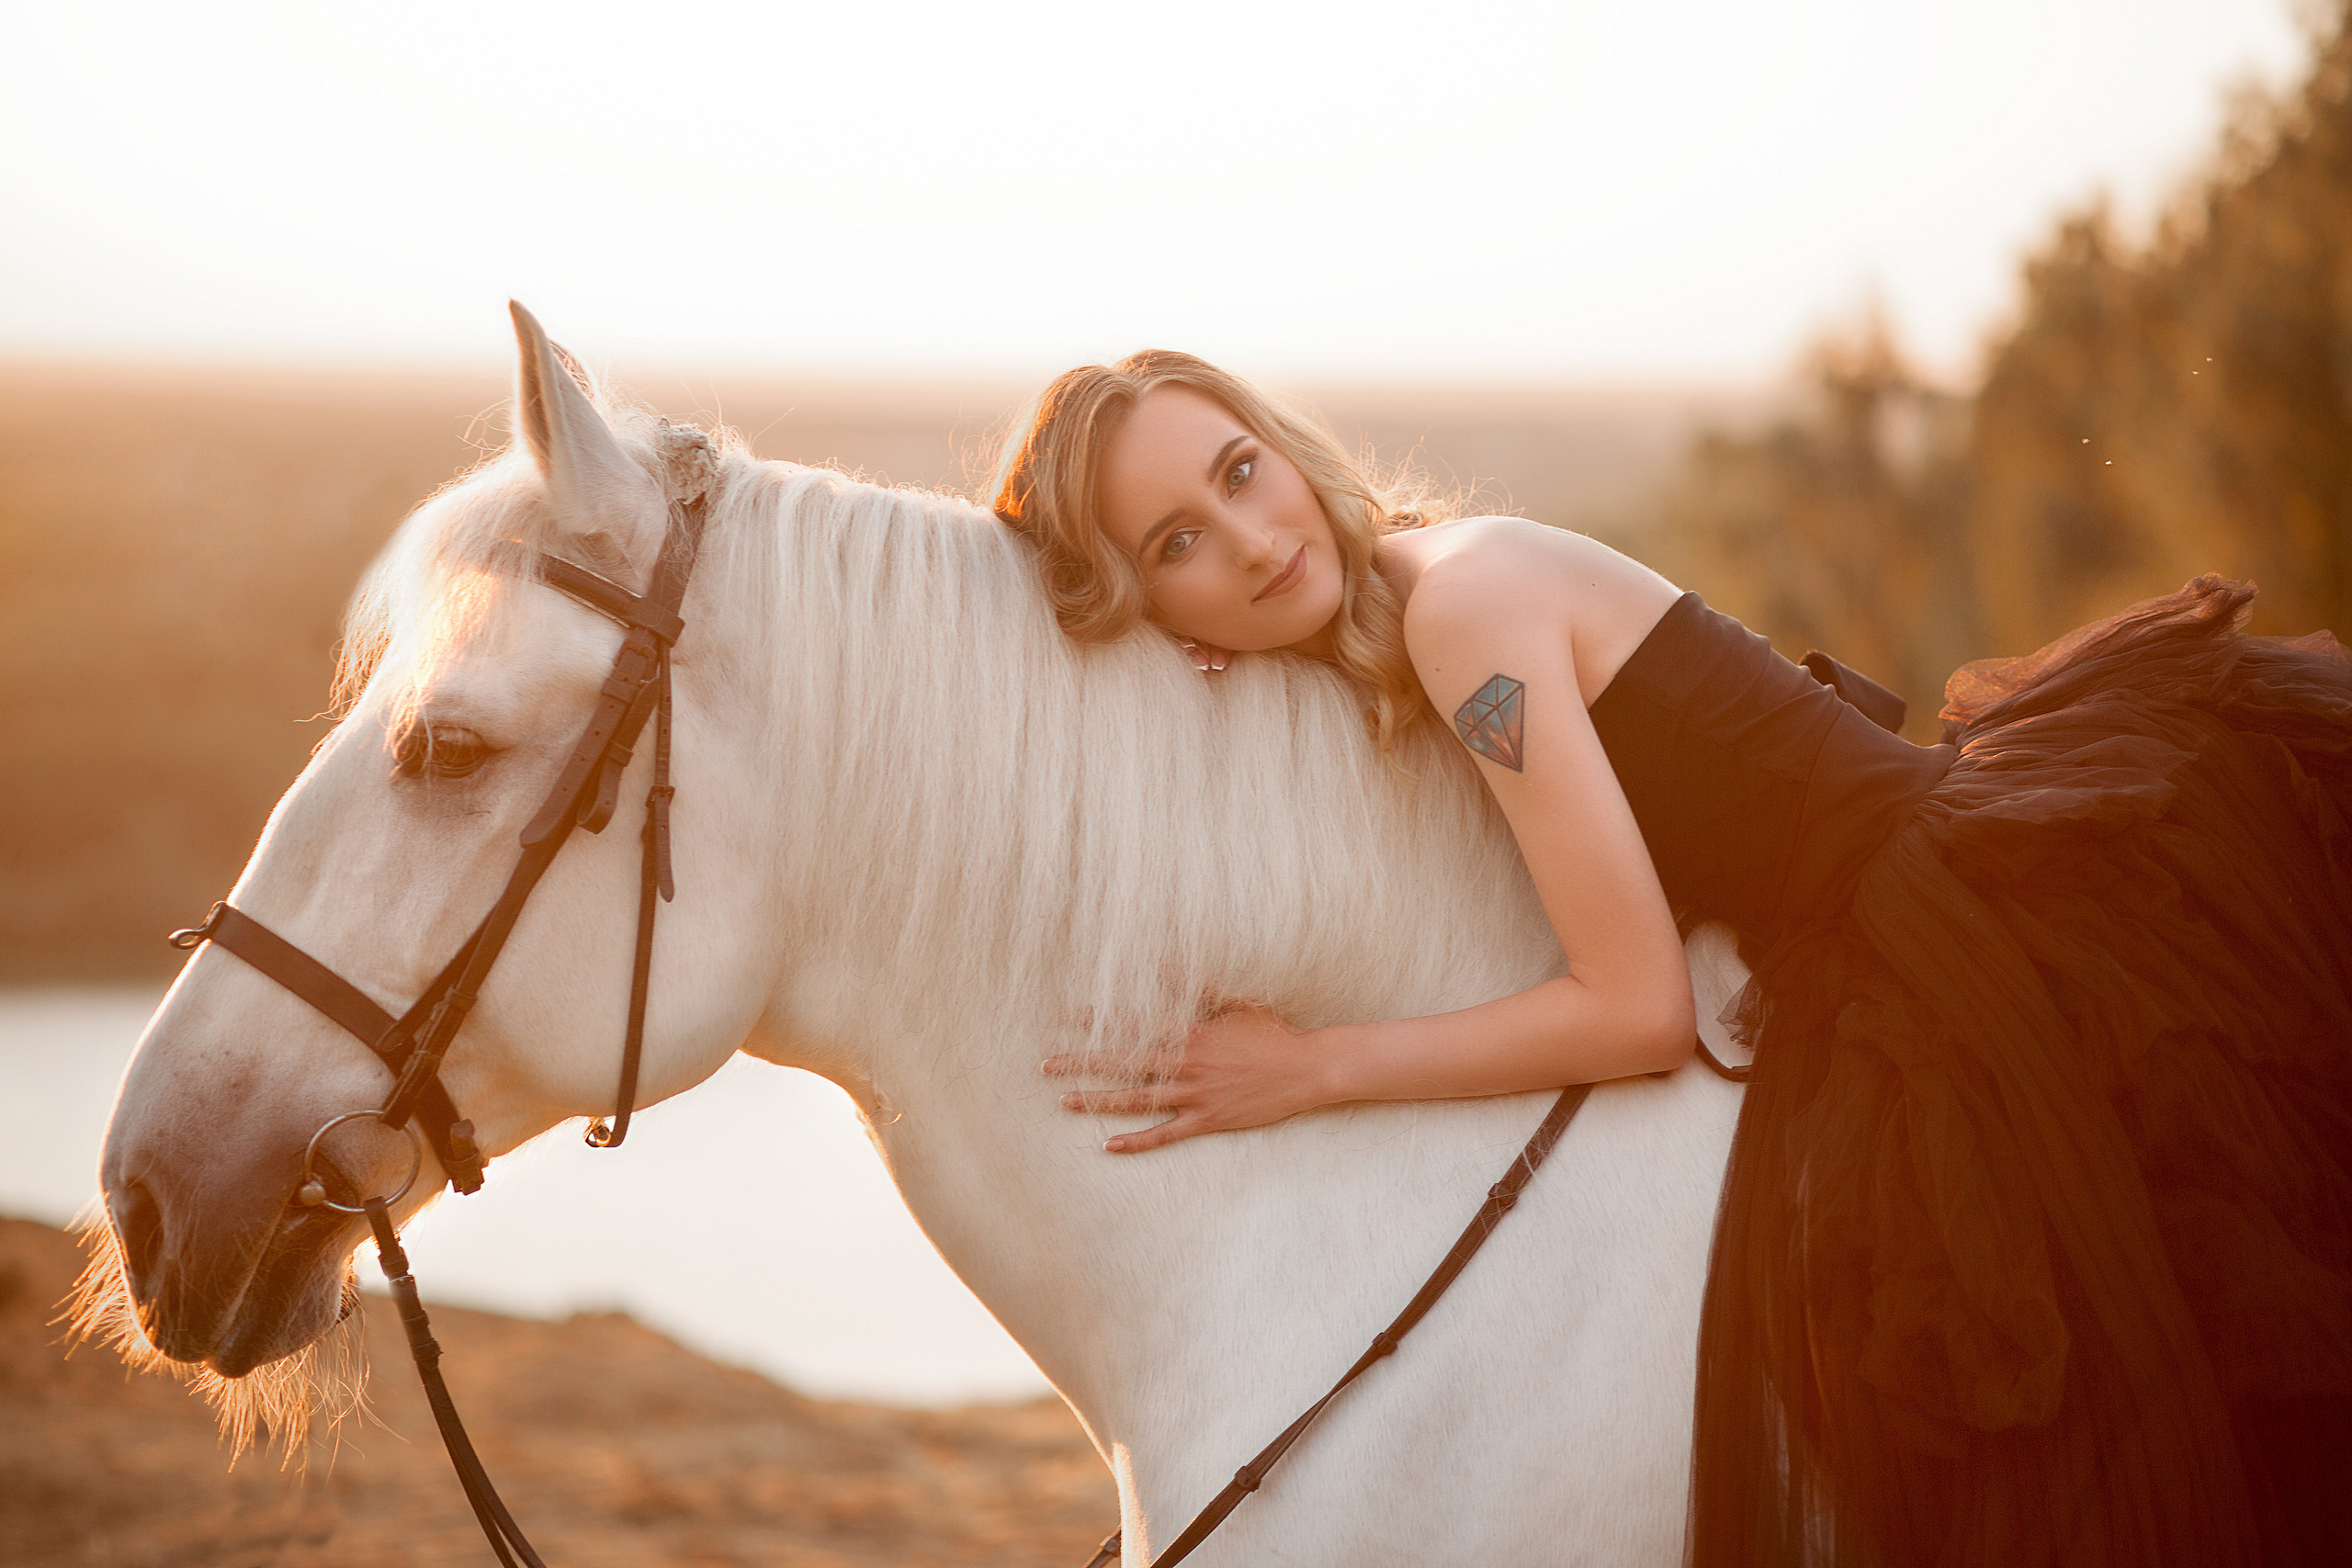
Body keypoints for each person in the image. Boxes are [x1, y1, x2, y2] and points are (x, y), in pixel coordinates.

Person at [994, 351, 2352, 1567]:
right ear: (1165, 619)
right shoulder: (1417, 593)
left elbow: (1637, 1008)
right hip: (1889, 911)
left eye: (1241, 471)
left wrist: (1311, 1067)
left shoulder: (1461, 619)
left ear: (1285, 447)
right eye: (1180, 541)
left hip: (1958, 933)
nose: (1251, 541)